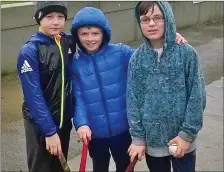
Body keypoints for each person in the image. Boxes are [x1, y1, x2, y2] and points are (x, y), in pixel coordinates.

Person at [70, 6, 187, 172]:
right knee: (99, 166)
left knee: (125, 166)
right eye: (84, 34)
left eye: (95, 33)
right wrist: (81, 124)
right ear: (77, 36)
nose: (90, 39)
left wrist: (167, 39)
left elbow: (148, 56)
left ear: (104, 33)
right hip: (94, 133)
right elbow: (78, 98)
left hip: (123, 129)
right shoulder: (75, 64)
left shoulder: (120, 52)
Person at [127, 1, 206, 172]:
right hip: (153, 142)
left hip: (183, 141)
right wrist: (138, 138)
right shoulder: (137, 60)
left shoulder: (186, 54)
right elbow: (133, 101)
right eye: (145, 19)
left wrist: (186, 135)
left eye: (158, 17)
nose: (152, 23)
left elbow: (197, 97)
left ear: (168, 19)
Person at [17, 2, 75, 172]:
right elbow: (33, 95)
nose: (55, 22)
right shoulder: (29, 50)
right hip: (39, 126)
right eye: (49, 17)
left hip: (63, 122)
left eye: (60, 17)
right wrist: (49, 132)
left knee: (58, 167)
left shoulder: (67, 42)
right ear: (38, 18)